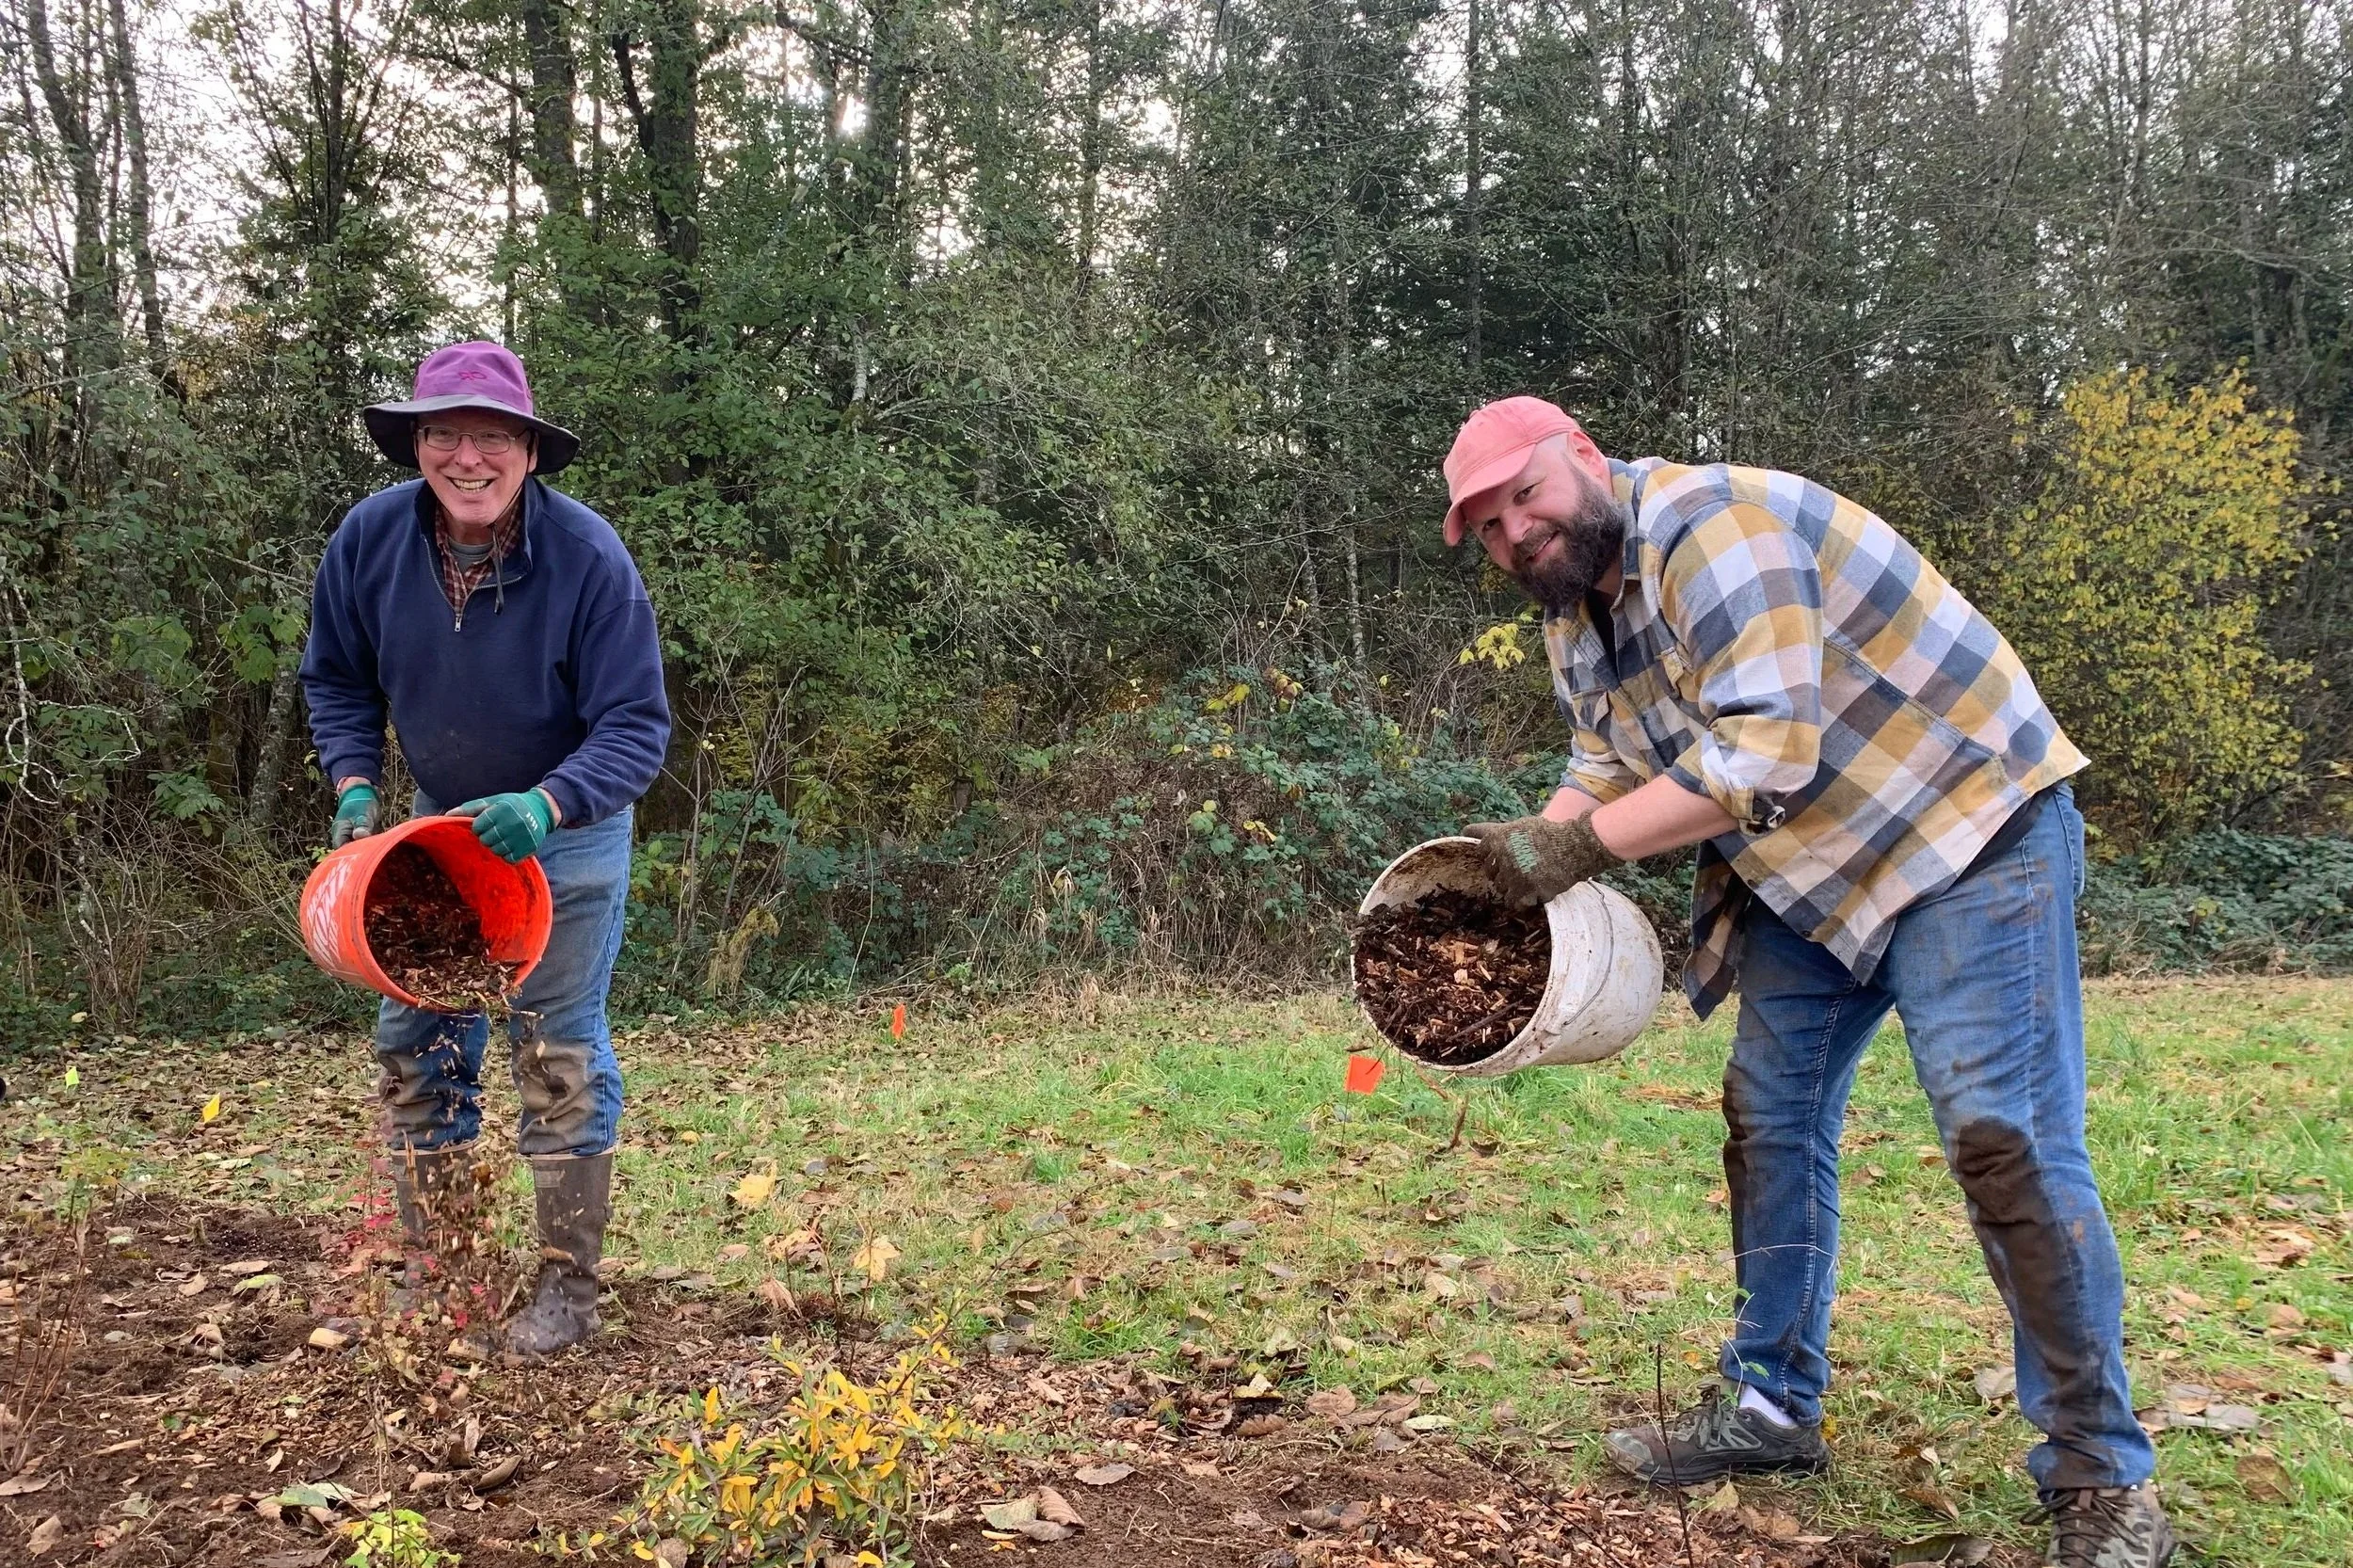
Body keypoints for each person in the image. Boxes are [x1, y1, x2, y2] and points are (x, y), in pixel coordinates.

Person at [1440, 397, 2169, 1567]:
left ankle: (2103, 1478)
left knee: (2005, 1140)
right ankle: (1771, 1409)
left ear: (1579, 453)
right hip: (1811, 875)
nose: (1516, 533)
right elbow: (1601, 763)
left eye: (1524, 497)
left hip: (1964, 837)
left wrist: (1577, 848)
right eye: (1487, 526)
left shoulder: (1708, 528)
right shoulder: (1575, 609)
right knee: (1767, 1118)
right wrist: (1506, 876)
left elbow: (1761, 754)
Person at [301, 342, 670, 1362]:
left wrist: (548, 807)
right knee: (416, 1044)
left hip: (568, 834)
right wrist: (355, 783)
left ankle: (565, 1293)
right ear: (417, 444)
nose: (468, 457)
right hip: (432, 834)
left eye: (492, 436)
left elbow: (636, 725)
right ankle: (439, 1265)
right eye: (444, 434)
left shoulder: (588, 558)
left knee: (555, 1053)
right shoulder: (371, 540)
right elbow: (334, 678)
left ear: (528, 451)